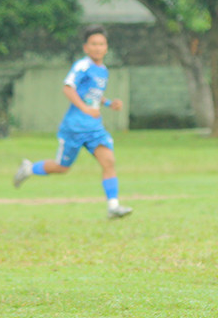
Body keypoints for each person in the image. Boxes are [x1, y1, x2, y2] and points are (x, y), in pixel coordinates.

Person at [13, 25, 132, 220]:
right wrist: (85, 110)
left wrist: (110, 103)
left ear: (106, 47)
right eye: (93, 44)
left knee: (109, 161)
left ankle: (113, 206)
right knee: (62, 168)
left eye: (101, 44)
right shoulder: (82, 66)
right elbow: (68, 88)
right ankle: (29, 168)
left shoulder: (103, 70)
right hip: (74, 128)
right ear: (86, 47)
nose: (97, 47)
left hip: (94, 128)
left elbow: (94, 95)